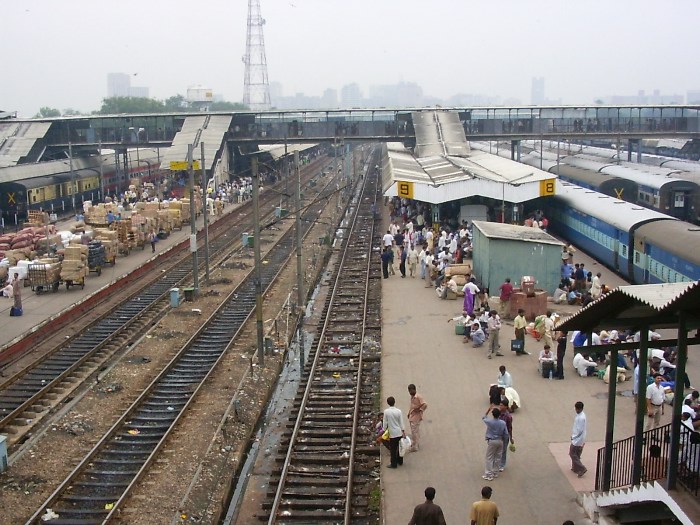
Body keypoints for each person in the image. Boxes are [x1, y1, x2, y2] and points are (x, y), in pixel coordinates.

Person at [482, 407, 509, 481]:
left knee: (489, 457)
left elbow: (484, 417)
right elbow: (506, 433)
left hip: (492, 441)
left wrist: (488, 410)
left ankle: (488, 474)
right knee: (498, 457)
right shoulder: (503, 423)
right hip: (500, 441)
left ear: (493, 415)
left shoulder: (490, 422)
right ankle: (495, 472)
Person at [383, 396, 406, 468]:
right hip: (399, 432)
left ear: (388, 403)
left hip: (392, 433)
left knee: (393, 449)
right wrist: (403, 431)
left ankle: (393, 464)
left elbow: (385, 422)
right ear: (394, 402)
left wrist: (384, 429)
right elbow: (401, 422)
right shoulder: (399, 411)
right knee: (400, 447)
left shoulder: (386, 412)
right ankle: (400, 461)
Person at [408, 384, 428, 452]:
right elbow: (412, 406)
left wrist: (420, 410)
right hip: (412, 415)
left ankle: (415, 446)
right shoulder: (412, 397)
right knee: (415, 431)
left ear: (414, 389)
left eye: (411, 390)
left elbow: (425, 404)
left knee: (414, 431)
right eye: (409, 390)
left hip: (416, 416)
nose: (410, 392)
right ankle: (416, 443)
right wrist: (409, 413)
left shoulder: (418, 397)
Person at [570, 401, 588, 478]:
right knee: (577, 454)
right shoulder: (582, 415)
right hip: (580, 439)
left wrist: (574, 437)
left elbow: (580, 430)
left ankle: (581, 468)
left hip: (577, 440)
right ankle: (575, 468)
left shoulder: (581, 418)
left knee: (572, 453)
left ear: (579, 409)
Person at [498, 399, 514, 471]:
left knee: (503, 450)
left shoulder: (508, 416)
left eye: (501, 405)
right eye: (500, 405)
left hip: (505, 435)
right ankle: (496, 463)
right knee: (497, 449)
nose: (500, 406)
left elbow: (510, 427)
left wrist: (511, 438)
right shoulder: (498, 413)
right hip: (498, 434)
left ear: (506, 407)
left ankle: (502, 465)